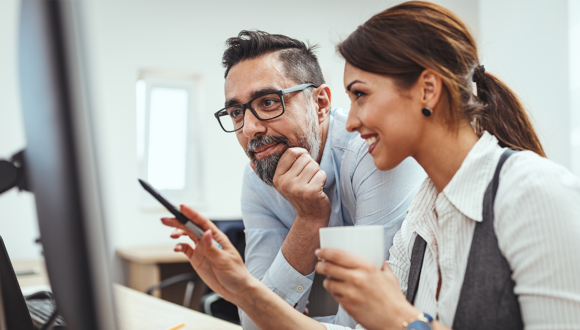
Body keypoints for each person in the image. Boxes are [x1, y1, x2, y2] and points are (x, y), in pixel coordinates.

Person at [313, 1, 580, 330]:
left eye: (360, 95)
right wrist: (247, 290)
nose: (350, 122)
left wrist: (403, 320)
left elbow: (398, 320)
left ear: (427, 89)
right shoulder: (420, 219)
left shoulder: (533, 193)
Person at [169, 30, 426, 329]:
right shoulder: (257, 179)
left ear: (320, 105)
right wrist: (308, 219)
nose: (249, 128)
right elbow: (254, 322)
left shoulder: (371, 154)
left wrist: (283, 314)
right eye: (236, 112)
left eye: (268, 102)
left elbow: (364, 324)